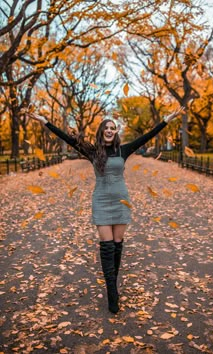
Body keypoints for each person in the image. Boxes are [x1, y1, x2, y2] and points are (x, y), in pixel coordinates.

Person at [26, 106, 184, 314]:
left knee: (117, 246)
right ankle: (112, 293)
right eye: (106, 128)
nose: (110, 130)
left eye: (113, 128)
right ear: (101, 132)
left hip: (120, 200)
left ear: (115, 132)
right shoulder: (92, 151)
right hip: (101, 200)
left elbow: (148, 136)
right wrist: (44, 120)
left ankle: (113, 286)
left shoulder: (123, 150)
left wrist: (167, 119)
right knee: (107, 247)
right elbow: (67, 138)